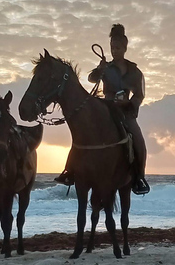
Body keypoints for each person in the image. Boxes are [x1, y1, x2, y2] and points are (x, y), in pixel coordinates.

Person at [55, 24, 149, 195]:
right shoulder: (107, 67)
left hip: (125, 111)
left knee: (138, 139)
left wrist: (130, 104)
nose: (115, 51)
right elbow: (91, 79)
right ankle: (69, 171)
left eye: (118, 48)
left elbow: (139, 94)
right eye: (113, 47)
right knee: (82, 133)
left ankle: (139, 177)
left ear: (125, 48)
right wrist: (99, 70)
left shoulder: (135, 71)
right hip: (105, 108)